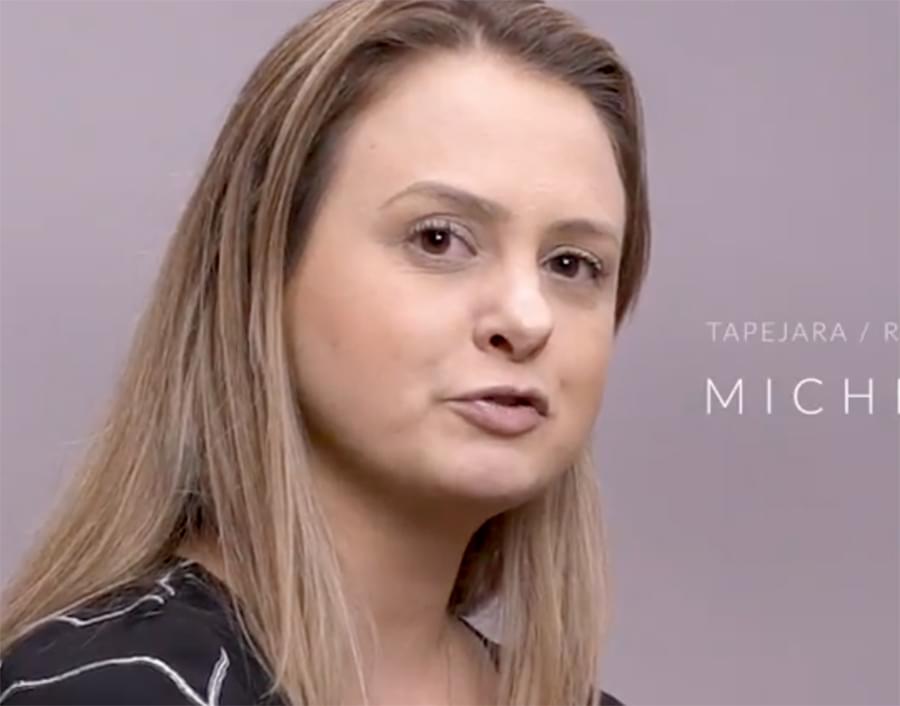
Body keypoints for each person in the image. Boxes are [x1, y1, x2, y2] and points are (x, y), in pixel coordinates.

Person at [0, 0, 650, 703]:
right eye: (438, 239)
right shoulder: (116, 687)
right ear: (263, 269)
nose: (527, 317)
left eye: (572, 264)